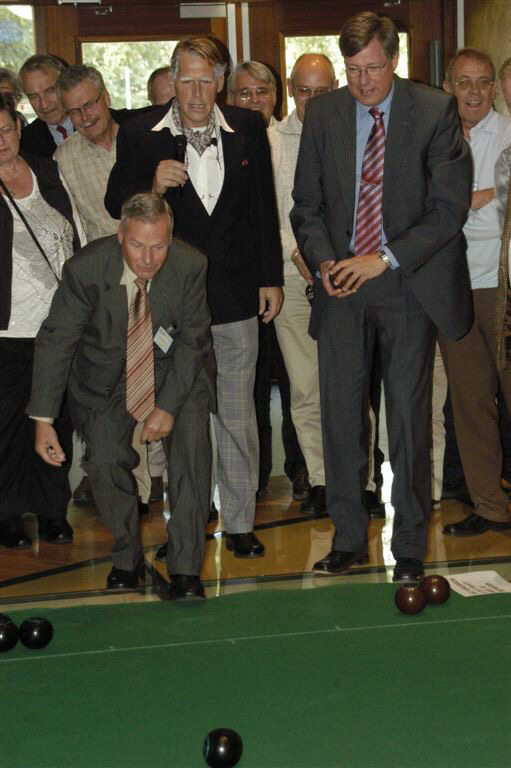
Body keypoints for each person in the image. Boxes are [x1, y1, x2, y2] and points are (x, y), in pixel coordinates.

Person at [290, 11, 472, 582]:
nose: (364, 82)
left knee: (409, 420)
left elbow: (448, 210)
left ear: (394, 59)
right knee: (342, 418)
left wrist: (382, 257)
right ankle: (348, 539)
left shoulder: (433, 110)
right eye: (352, 69)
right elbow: (306, 206)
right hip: (341, 283)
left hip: (406, 283)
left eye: (372, 68)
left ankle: (411, 545)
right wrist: (325, 262)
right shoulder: (323, 113)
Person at [105, 36, 283, 559]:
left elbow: (262, 212)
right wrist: (150, 183)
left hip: (233, 296)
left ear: (221, 81)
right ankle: (186, 527)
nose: (197, 91)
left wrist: (269, 277)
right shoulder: (141, 132)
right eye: (187, 79)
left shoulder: (248, 128)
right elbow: (117, 200)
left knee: (236, 413)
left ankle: (241, 522)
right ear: (173, 79)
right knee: (178, 420)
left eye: (207, 79)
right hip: (168, 302)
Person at [28, 192, 214, 600]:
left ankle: (185, 570)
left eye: (159, 246)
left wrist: (166, 407)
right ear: (119, 235)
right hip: (103, 377)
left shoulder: (190, 265)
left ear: (171, 238)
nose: (148, 258)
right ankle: (126, 555)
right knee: (105, 463)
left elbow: (193, 340)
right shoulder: (85, 270)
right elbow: (57, 340)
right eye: (137, 245)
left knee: (192, 460)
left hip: (175, 372)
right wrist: (42, 421)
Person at [54, 64, 161, 507]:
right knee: (124, 388)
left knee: (168, 382)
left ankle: (171, 476)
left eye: (90, 104)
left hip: (161, 276)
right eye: (74, 111)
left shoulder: (143, 136)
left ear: (105, 96)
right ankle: (134, 488)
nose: (84, 116)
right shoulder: (64, 160)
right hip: (111, 291)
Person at [0, 92, 84, 550]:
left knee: (57, 420)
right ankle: (8, 515)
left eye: (6, 130)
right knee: (8, 427)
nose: (0, 141)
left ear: (18, 127)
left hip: (57, 327)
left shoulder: (47, 170)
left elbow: (77, 233)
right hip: (6, 331)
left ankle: (53, 511)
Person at [228, 60, 308, 501]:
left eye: (262, 91)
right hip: (247, 282)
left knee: (300, 380)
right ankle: (254, 477)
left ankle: (300, 468)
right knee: (253, 383)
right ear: (230, 98)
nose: (254, 100)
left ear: (276, 96)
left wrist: (295, 255)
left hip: (296, 277)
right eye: (244, 93)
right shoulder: (225, 142)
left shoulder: (289, 140)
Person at [441, 48, 511, 538]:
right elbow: (428, 213)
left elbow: (502, 220)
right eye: (463, 81)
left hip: (503, 287)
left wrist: (466, 208)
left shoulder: (509, 135)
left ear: (494, 89)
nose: (473, 91)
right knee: (469, 403)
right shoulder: (434, 138)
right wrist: (484, 199)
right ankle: (490, 506)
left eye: (482, 82)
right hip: (450, 287)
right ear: (449, 86)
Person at [268, 53, 338, 515]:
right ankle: (320, 480)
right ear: (291, 91)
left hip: (344, 276)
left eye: (323, 90)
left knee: (348, 386)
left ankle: (361, 480)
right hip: (294, 279)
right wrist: (298, 255)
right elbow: (268, 211)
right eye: (304, 90)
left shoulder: (354, 130)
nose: (313, 100)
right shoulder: (270, 140)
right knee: (306, 390)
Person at [19, 55, 73, 158]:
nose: (44, 104)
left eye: (50, 91)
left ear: (66, 85)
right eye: (34, 96)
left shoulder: (99, 121)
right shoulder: (24, 144)